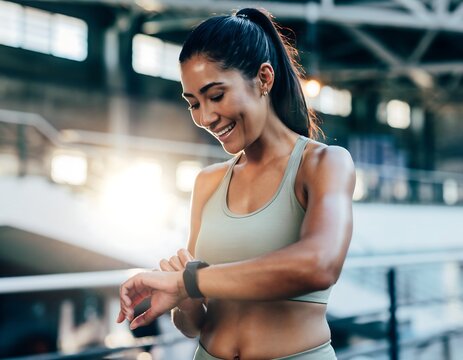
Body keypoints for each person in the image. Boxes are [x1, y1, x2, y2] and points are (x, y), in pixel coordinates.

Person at [117, 7, 355, 360]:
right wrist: (184, 300)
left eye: (215, 96)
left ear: (263, 78)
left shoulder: (322, 163)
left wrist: (187, 281)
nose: (206, 117)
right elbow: (193, 324)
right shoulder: (207, 182)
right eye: (193, 103)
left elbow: (319, 265)